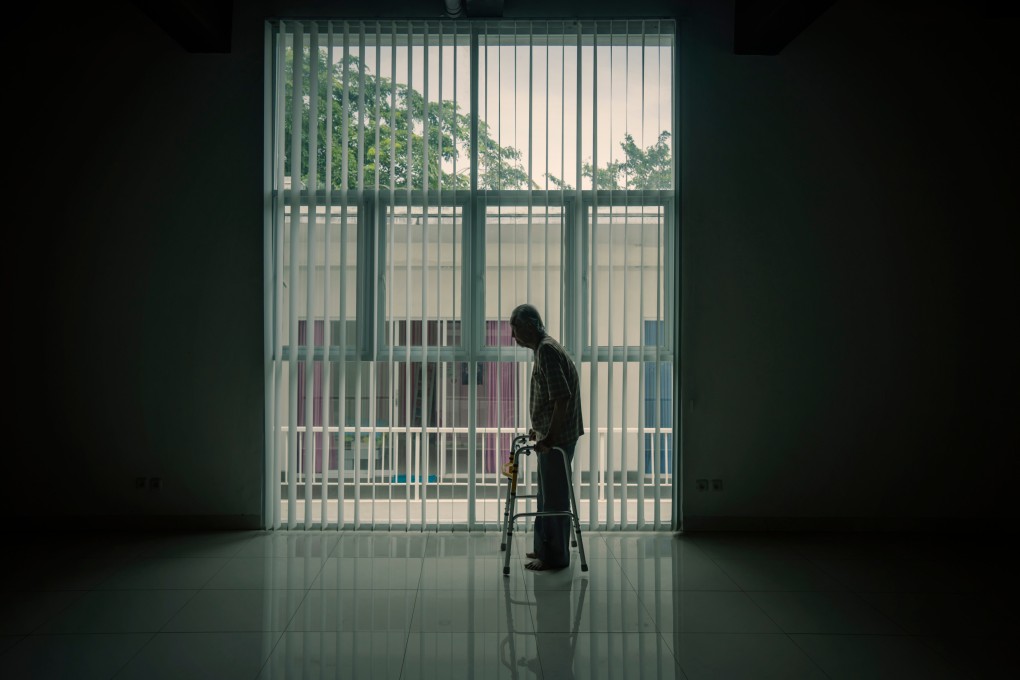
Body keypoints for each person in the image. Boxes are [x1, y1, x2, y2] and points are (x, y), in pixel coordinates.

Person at [509, 303, 584, 571]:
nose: (513, 337)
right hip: (554, 434)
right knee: (547, 496)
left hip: (558, 439)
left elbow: (561, 399)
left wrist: (549, 438)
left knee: (554, 499)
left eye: (515, 329)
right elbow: (551, 399)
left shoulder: (547, 352)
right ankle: (544, 547)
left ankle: (554, 558)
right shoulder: (544, 349)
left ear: (529, 325)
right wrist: (539, 428)